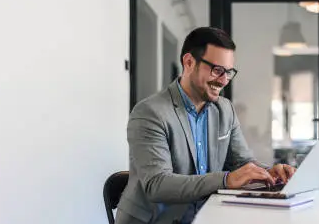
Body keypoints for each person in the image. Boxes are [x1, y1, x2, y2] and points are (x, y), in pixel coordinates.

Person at [115, 27, 296, 224]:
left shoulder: (225, 110)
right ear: (189, 62)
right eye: (217, 70)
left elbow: (242, 162)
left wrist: (268, 173)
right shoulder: (149, 112)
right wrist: (226, 180)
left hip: (207, 216)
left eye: (229, 72)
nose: (224, 80)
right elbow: (157, 185)